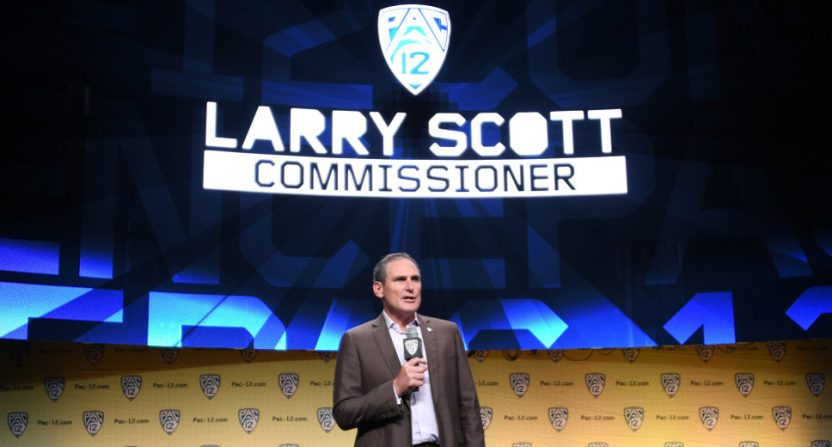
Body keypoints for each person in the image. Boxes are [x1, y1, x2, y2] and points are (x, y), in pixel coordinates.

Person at [333, 253, 485, 447]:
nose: (410, 287)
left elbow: (468, 406)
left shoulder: (447, 333)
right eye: (400, 280)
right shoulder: (357, 340)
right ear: (379, 289)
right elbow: (344, 413)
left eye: (415, 279)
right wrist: (395, 388)